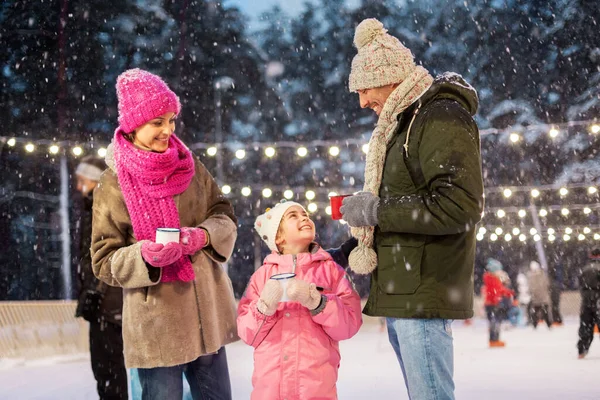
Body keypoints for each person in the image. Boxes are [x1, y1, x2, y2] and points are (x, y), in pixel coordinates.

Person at [340, 18, 484, 399]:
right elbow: (405, 201)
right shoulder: (402, 123)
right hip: (404, 289)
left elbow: (458, 205)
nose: (362, 101)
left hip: (422, 290)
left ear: (390, 77)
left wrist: (375, 211)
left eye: (366, 89)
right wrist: (352, 242)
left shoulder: (438, 116)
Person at [91, 68, 238, 400]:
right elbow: (103, 261)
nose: (168, 130)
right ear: (133, 125)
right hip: (157, 324)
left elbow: (224, 215)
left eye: (171, 120)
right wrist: (143, 255)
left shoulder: (190, 165)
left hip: (206, 314)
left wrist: (202, 236)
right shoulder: (111, 183)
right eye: (158, 122)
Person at [237, 201, 362, 400]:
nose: (304, 217)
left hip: (316, 390)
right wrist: (262, 308)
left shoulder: (331, 271)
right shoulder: (261, 276)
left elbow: (349, 325)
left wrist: (318, 303)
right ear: (279, 237)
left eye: (305, 214)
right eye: (293, 215)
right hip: (269, 391)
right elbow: (247, 334)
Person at [74, 155, 128, 400]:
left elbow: (106, 256)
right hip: (106, 303)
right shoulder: (96, 207)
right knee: (108, 370)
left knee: (109, 370)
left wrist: (96, 291)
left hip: (108, 304)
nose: (78, 186)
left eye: (82, 181)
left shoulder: (102, 207)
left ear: (96, 181)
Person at [482, 259, 514, 347]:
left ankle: (494, 339)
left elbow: (498, 289)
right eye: (498, 270)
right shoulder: (492, 278)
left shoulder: (491, 278)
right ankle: (494, 340)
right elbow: (497, 290)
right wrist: (507, 292)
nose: (500, 272)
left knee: (494, 322)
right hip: (493, 304)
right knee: (495, 322)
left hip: (491, 303)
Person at [577, 249, 600, 359]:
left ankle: (582, 350)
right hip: (598, 299)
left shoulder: (584, 269)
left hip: (586, 301)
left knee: (586, 327)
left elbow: (580, 284)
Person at [527, 261, 552, 329]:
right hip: (544, 297)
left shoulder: (531, 276)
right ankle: (549, 324)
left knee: (535, 313)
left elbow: (531, 288)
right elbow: (547, 285)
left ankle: (535, 325)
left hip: (536, 298)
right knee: (545, 312)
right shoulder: (543, 275)